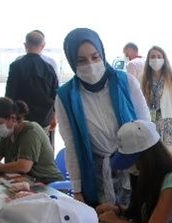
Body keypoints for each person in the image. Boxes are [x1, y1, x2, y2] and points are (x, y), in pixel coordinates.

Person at [56, 28, 150, 207]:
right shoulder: (65, 96)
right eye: (81, 60)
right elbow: (71, 146)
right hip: (95, 174)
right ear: (71, 62)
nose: (90, 65)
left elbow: (146, 127)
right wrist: (76, 190)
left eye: (95, 57)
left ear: (102, 54)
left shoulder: (126, 82)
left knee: (136, 222)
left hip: (134, 169)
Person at [97, 120, 172, 223]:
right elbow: (143, 213)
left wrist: (114, 222)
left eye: (134, 162)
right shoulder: (147, 176)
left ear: (148, 158)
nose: (132, 168)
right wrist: (119, 211)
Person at [0, 97, 63, 184]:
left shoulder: (31, 132)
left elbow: (23, 166)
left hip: (47, 183)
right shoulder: (8, 133)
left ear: (12, 118)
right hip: (25, 181)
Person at [5, 30, 59, 147]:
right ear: (43, 46)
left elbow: (9, 95)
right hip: (44, 119)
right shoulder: (49, 68)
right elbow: (55, 96)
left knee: (22, 149)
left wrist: (9, 117)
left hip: (22, 119)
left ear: (25, 45)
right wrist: (54, 117)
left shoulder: (16, 66)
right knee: (42, 149)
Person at [141, 46, 172, 160]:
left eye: (159, 56)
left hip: (168, 124)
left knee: (170, 158)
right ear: (148, 60)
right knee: (153, 157)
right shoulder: (143, 79)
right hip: (150, 124)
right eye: (153, 57)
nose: (156, 59)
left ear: (164, 59)